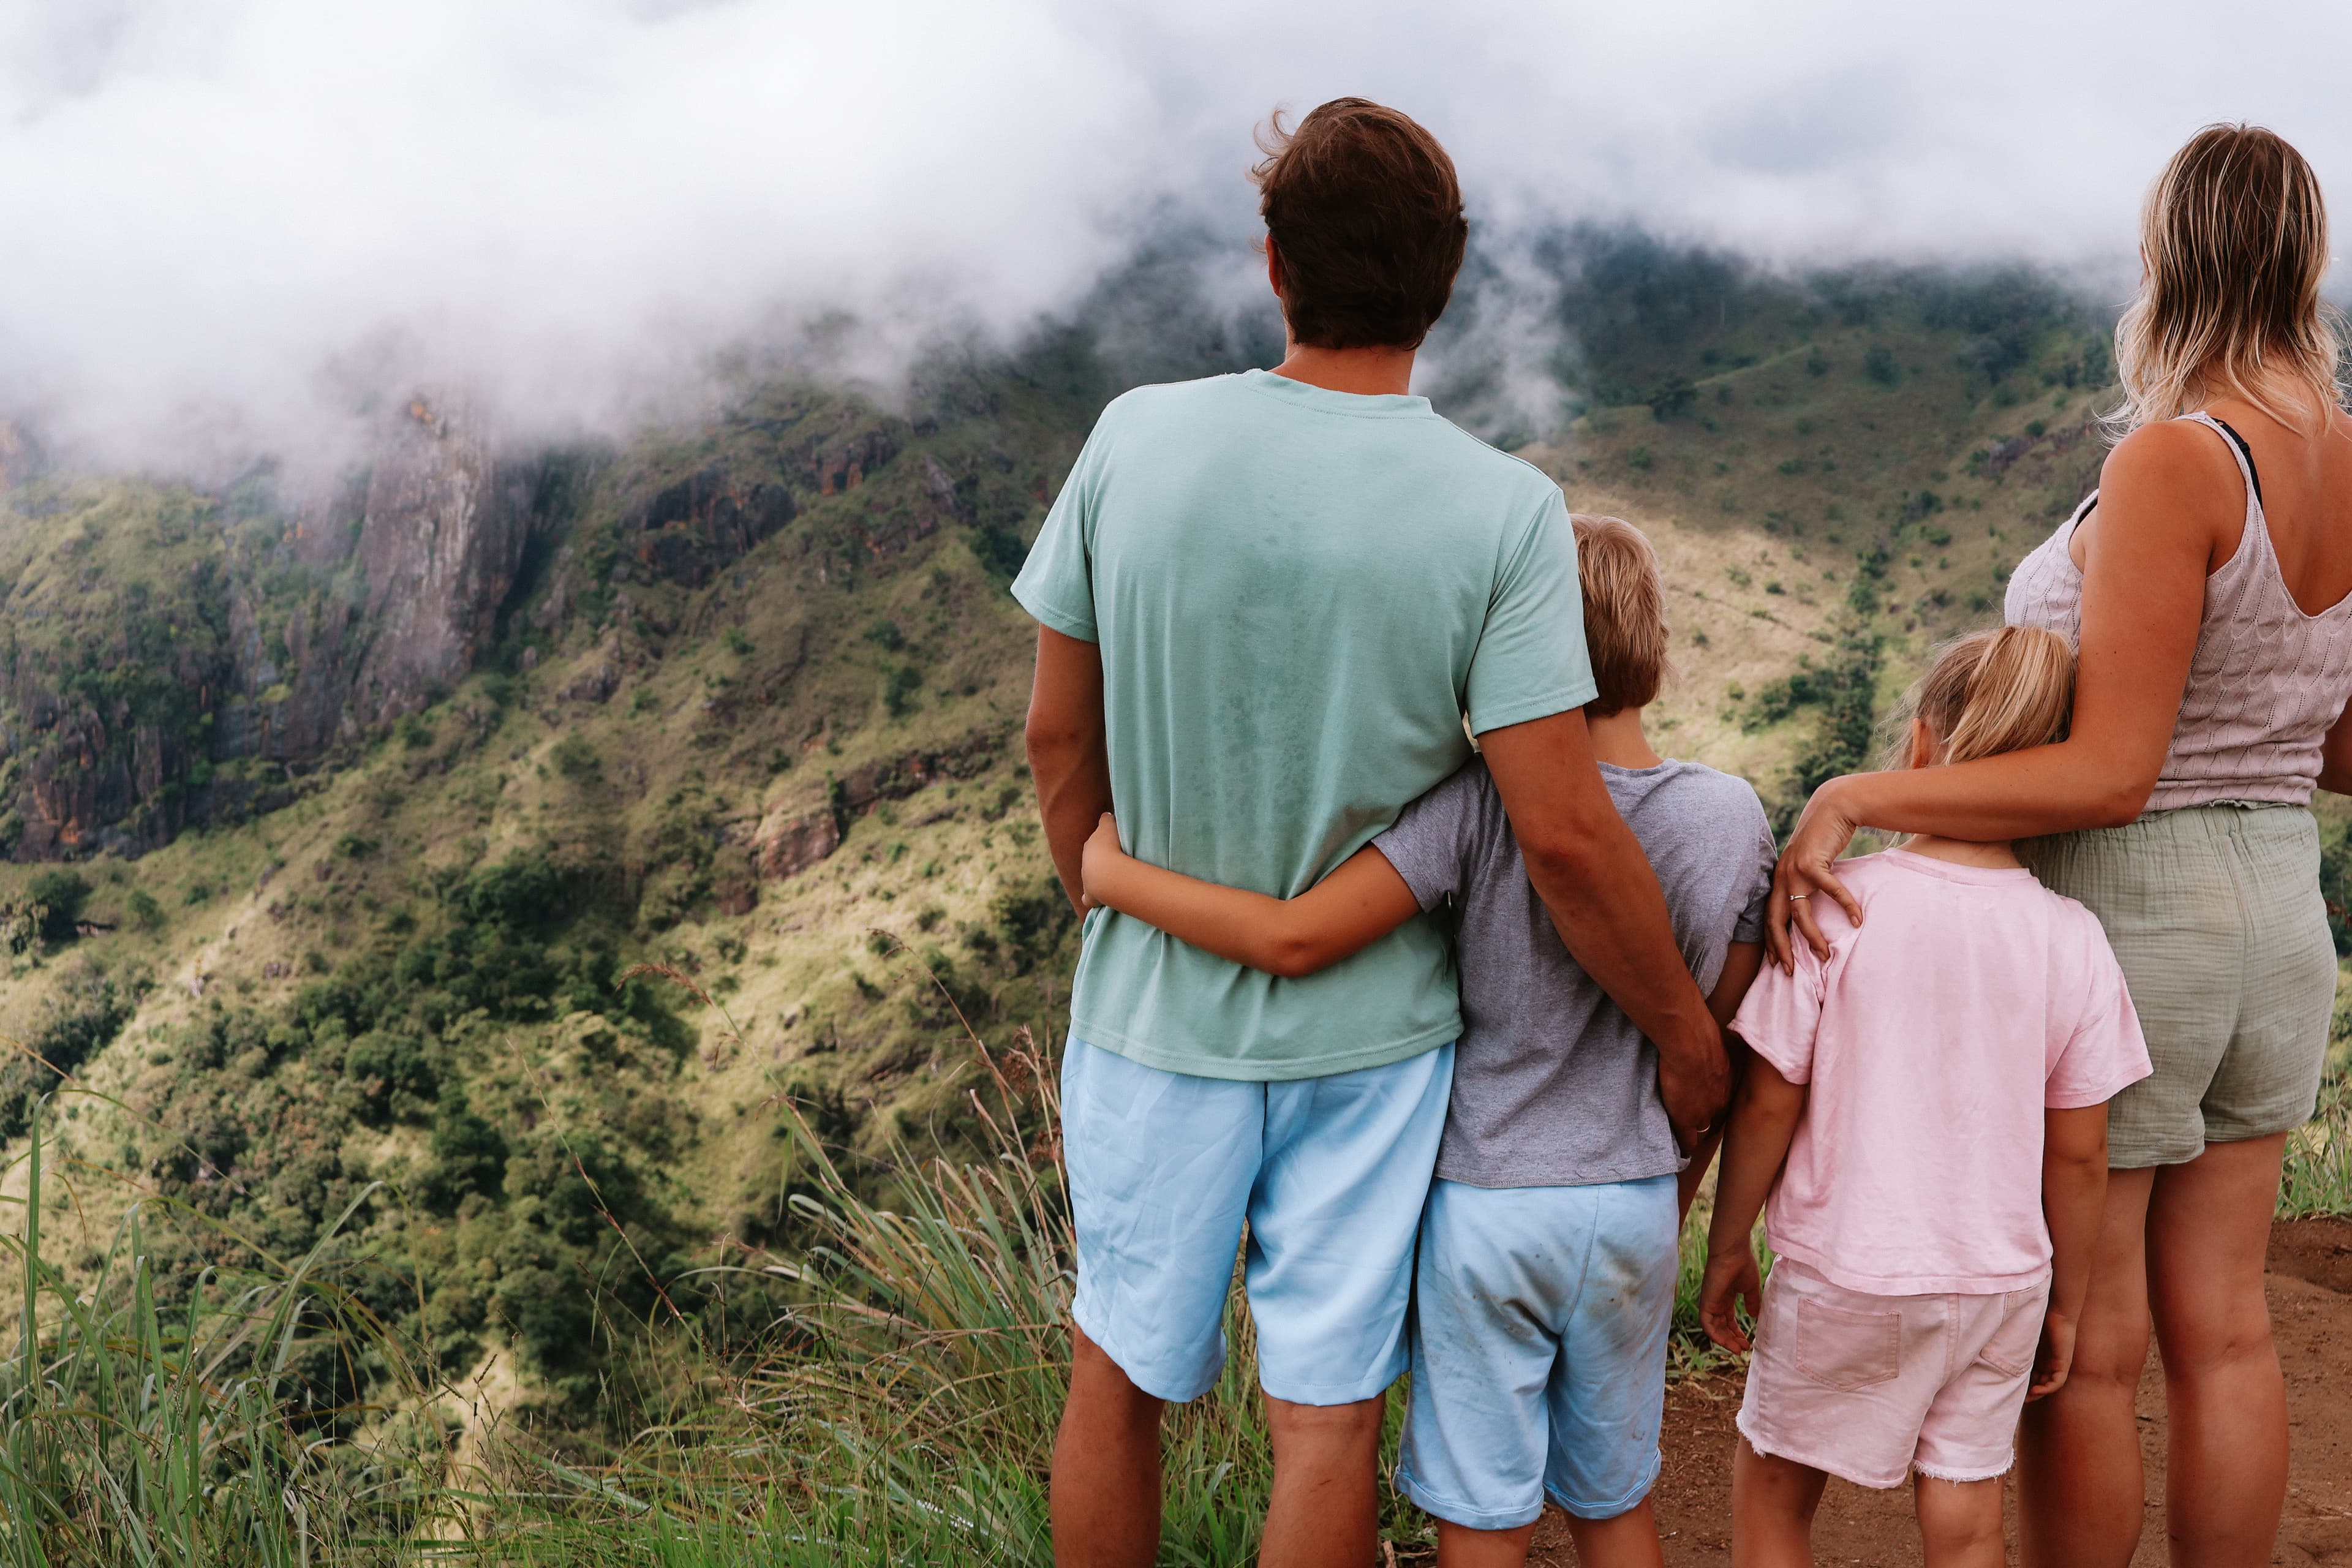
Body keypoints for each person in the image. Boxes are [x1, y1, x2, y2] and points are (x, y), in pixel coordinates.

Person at [1014, 101, 1731, 1568]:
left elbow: (1054, 737)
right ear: (1448, 276)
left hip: (1155, 1011)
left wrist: (1101, 879)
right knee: (1326, 1416)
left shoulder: (1133, 439)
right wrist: (1680, 1032)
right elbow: (1568, 836)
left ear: (1275, 264)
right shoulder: (1505, 512)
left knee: (1117, 1373)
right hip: (1376, 1047)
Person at [1770, 124, 2352, 1567]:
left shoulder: (2178, 454)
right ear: (2306, 261)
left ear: (2167, 257)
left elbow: (2108, 772)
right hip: (2283, 909)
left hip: (2136, 917)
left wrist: (1861, 794)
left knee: (2085, 1348)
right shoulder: (2346, 457)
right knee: (2225, 1325)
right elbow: (2341, 745)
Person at [1079, 513, 1774, 1568]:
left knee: (1483, 1515)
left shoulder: (1478, 807)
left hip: (1487, 1207)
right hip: (1632, 1203)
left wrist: (1114, 874)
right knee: (1614, 1504)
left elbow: (1297, 936)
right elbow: (1716, 1044)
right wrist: (1676, 1199)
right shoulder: (1732, 818)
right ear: (1658, 645)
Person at [1705, 627, 2154, 1568]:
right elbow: (2079, 1153)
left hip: (1848, 1273)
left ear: (1921, 745)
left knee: (1776, 1492)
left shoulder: (1831, 907)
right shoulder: (2071, 937)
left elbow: (1767, 1104)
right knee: (1965, 1518)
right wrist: (2065, 1299)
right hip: (2000, 1282)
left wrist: (1727, 1239)